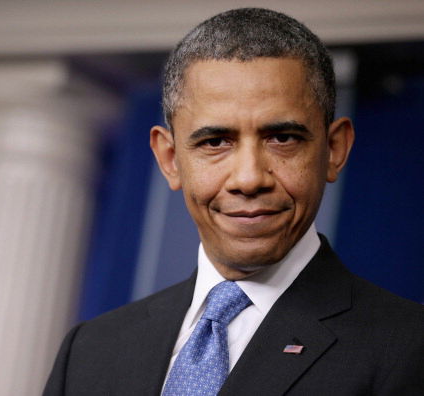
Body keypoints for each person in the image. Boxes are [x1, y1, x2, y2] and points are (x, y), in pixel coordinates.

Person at [44, 8, 424, 395]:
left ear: (334, 150)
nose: (249, 178)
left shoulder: (409, 349)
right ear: (170, 160)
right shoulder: (90, 351)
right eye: (215, 142)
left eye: (282, 138)